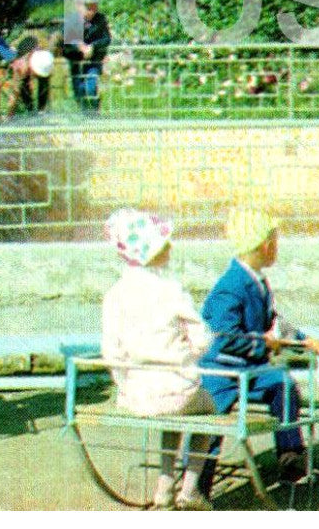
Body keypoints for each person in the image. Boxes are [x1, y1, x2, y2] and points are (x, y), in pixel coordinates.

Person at [199, 210, 319, 485]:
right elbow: (224, 337)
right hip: (221, 371)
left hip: (249, 370)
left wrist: (303, 340)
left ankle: (290, 452)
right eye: (276, 242)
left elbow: (273, 320)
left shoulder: (258, 281)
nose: (277, 248)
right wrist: (263, 343)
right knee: (210, 427)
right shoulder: (230, 286)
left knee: (283, 384)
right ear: (265, 246)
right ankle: (197, 482)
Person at [100, 209, 215, 510]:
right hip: (177, 389)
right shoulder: (171, 290)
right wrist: (189, 353)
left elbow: (112, 351)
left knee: (172, 417)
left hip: (136, 394)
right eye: (165, 244)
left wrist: (125, 384)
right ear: (153, 251)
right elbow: (203, 338)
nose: (170, 248)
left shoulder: (114, 294)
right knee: (210, 416)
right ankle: (190, 490)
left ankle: (164, 488)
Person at [60, 0, 111, 114]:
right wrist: (78, 45)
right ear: (79, 7)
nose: (92, 11)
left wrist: (93, 47)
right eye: (88, 7)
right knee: (79, 90)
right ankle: (84, 116)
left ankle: (94, 113)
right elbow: (65, 39)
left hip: (93, 60)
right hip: (77, 61)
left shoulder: (100, 19)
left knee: (91, 86)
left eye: (94, 7)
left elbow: (106, 39)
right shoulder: (72, 20)